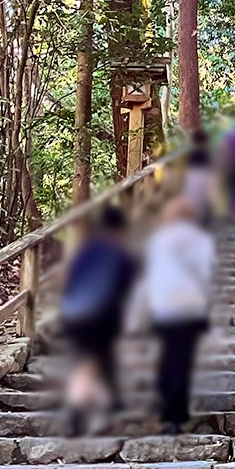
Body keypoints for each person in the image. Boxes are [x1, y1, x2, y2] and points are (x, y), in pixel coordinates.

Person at [59, 206, 135, 431]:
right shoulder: (122, 257)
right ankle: (77, 412)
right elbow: (124, 290)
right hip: (99, 314)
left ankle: (114, 398)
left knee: (101, 355)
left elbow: (70, 280)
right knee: (88, 362)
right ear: (120, 230)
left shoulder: (86, 251)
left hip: (74, 312)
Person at [144, 196, 215, 433]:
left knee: (168, 357)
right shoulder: (201, 241)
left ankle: (169, 406)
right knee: (182, 360)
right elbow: (204, 274)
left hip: (165, 306)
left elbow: (154, 275)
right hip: (190, 305)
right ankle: (176, 413)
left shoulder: (159, 240)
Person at [181, 129, 217, 225]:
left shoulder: (191, 150)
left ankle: (194, 218)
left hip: (193, 175)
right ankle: (203, 218)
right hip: (205, 175)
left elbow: (186, 164)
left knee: (193, 197)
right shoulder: (208, 150)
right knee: (204, 197)